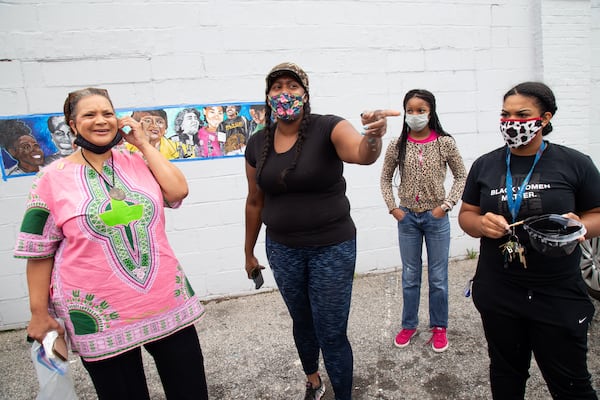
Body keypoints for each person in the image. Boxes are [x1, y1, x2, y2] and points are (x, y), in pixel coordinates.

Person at [16, 88, 209, 400]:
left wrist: (144, 144)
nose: (101, 121)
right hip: (100, 316)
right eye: (89, 115)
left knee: (191, 391)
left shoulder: (137, 160)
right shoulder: (51, 179)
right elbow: (38, 253)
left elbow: (176, 192)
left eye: (107, 113)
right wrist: (39, 313)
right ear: (73, 124)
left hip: (164, 300)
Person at [244, 62, 399, 400]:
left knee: (331, 331)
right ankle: (313, 380)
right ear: (267, 95)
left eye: (293, 86)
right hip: (282, 249)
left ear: (306, 92)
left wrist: (373, 137)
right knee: (302, 321)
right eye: (277, 87)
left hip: (331, 247)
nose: (285, 93)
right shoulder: (257, 143)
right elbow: (255, 201)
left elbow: (362, 154)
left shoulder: (329, 127)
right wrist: (248, 251)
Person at [458, 81, 600, 399]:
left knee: (571, 384)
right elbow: (466, 214)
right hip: (499, 290)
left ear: (545, 118)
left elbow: (597, 214)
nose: (512, 122)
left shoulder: (575, 163)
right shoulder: (485, 164)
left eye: (522, 114)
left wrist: (581, 225)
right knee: (506, 374)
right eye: (505, 114)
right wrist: (480, 223)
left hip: (557, 292)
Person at [380, 89, 467, 353]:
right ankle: (409, 324)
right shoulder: (398, 144)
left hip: (436, 218)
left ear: (431, 112)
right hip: (407, 219)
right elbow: (385, 178)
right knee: (410, 276)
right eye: (410, 110)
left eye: (421, 110)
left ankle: (439, 327)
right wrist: (393, 208)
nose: (415, 115)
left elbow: (461, 176)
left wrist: (446, 205)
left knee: (438, 277)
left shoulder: (444, 143)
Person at [128, 109, 195, 159]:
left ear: (165, 128)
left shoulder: (184, 150)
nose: (154, 125)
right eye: (147, 121)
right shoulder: (125, 150)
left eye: (159, 122)